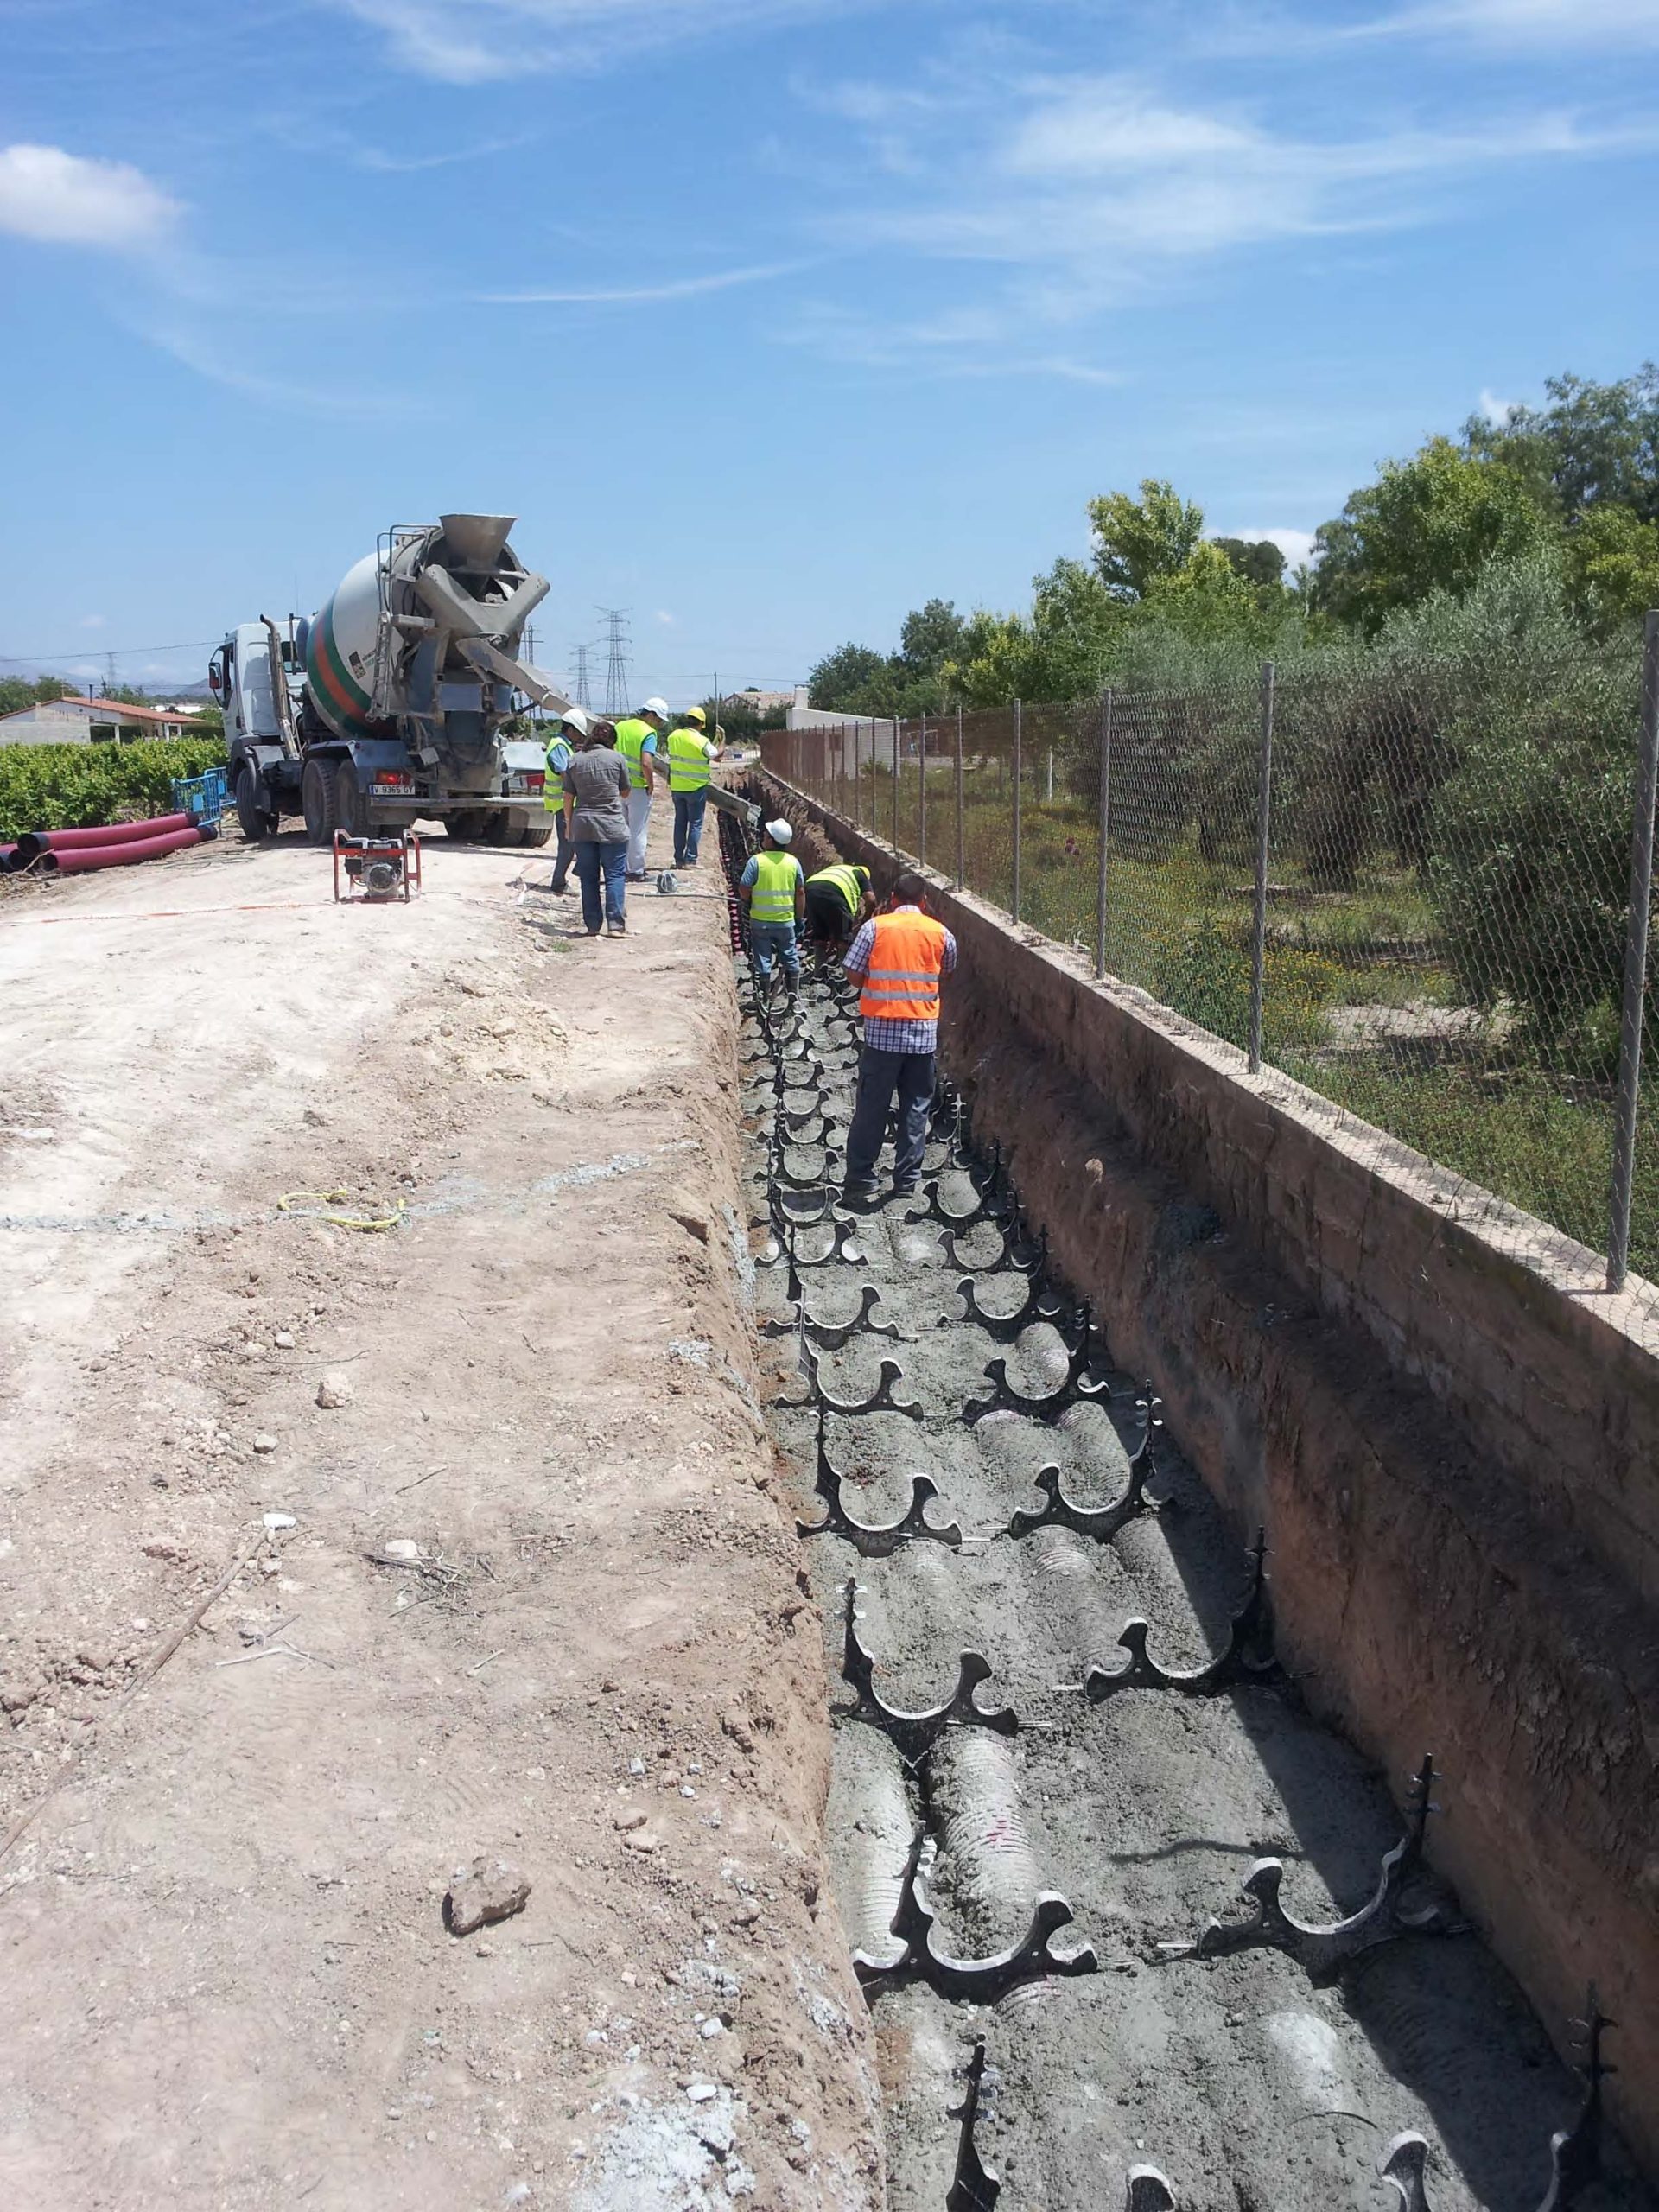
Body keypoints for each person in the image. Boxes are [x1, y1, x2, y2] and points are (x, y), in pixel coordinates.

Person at [841, 872, 957, 1202]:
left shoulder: (875, 928)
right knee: (916, 1108)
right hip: (921, 1037)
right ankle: (906, 1182)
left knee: (871, 1107)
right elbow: (947, 968)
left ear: (893, 899)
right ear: (924, 901)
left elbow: (852, 973)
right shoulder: (941, 933)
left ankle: (862, 1180)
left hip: (882, 1037)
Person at [562, 718, 632, 938]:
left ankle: (592, 925)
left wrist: (568, 824)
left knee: (588, 877)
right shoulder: (617, 759)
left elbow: (568, 796)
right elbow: (625, 791)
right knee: (614, 875)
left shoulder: (575, 761)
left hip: (582, 825)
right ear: (612, 740)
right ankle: (616, 925)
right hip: (611, 825)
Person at [739, 820, 805, 994]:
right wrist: (799, 919)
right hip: (785, 921)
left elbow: (744, 888)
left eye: (766, 835)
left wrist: (747, 901)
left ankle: (764, 997)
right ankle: (793, 997)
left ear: (771, 840)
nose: (763, 836)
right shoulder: (793, 863)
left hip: (760, 922)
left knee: (763, 959)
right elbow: (800, 893)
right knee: (790, 956)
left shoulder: (756, 861)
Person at [613, 696, 668, 881]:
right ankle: (635, 871)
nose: (659, 724)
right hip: (637, 788)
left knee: (620, 830)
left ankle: (619, 868)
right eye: (659, 719)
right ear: (651, 715)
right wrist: (650, 785)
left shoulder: (620, 727)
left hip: (617, 786)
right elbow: (646, 763)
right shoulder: (648, 733)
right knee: (637, 831)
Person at [543, 703, 591, 894]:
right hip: (564, 804)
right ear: (569, 729)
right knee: (567, 845)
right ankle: (558, 882)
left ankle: (566, 877)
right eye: (578, 733)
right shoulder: (559, 747)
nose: (580, 737)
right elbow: (566, 776)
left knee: (573, 843)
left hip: (568, 804)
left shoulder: (564, 746)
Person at [664, 704, 721, 868]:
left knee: (680, 823)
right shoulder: (701, 740)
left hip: (677, 787)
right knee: (695, 823)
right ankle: (691, 859)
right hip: (696, 789)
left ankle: (678, 859)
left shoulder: (674, 736)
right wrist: (722, 740)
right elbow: (716, 756)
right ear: (701, 724)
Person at [804, 859, 875, 947]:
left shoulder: (841, 869)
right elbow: (871, 900)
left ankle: (819, 960)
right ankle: (844, 960)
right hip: (833, 889)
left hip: (810, 887)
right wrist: (866, 919)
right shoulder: (860, 874)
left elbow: (832, 914)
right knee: (844, 937)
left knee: (820, 934)